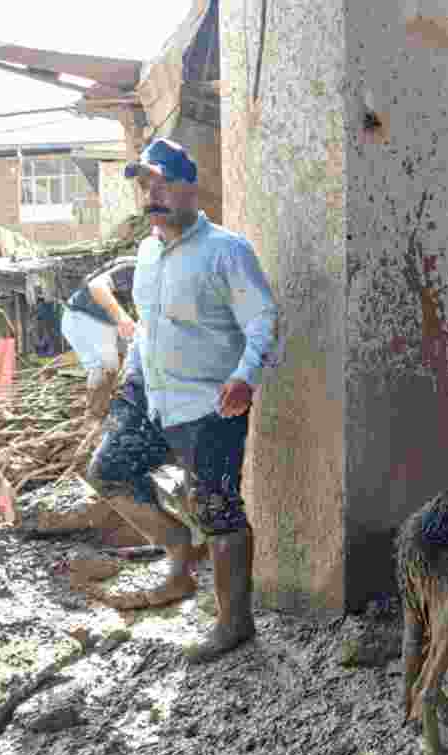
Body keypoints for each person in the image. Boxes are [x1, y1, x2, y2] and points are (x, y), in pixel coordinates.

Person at [86, 138, 278, 663]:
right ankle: (178, 550)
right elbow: (149, 323)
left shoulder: (226, 250)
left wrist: (245, 376)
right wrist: (132, 378)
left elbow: (261, 319)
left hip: (209, 403)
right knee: (109, 472)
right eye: (147, 184)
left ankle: (234, 623)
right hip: (150, 393)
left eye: (165, 182)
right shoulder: (147, 252)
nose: (154, 193)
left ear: (191, 187)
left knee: (217, 509)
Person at [61, 256, 137, 421]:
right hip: (85, 316)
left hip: (97, 319)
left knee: (120, 357)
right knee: (105, 366)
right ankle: (94, 417)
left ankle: (101, 407)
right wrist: (123, 318)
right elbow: (96, 286)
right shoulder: (132, 267)